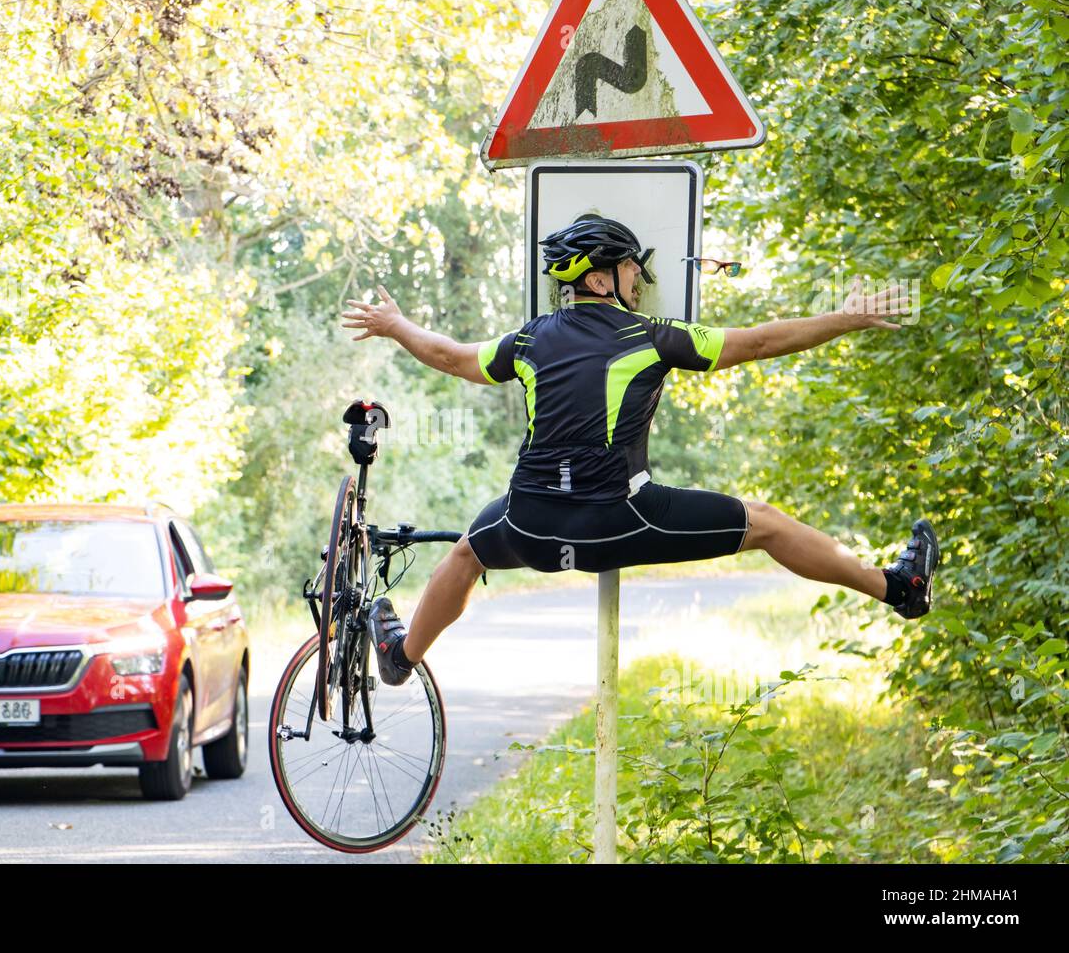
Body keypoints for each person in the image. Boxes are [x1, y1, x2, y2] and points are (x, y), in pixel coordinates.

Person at [340, 215, 939, 686]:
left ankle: (401, 657)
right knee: (767, 526)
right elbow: (756, 343)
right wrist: (845, 317)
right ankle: (899, 589)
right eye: (631, 270)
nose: (639, 280)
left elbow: (449, 356)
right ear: (600, 279)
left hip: (529, 524)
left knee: (468, 553)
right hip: (621, 521)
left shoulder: (526, 339)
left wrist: (396, 325)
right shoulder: (654, 337)